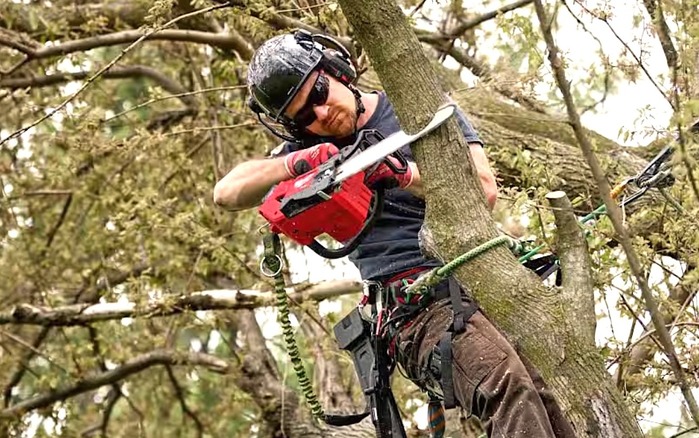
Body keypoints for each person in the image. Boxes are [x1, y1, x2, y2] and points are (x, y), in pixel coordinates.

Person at [213, 29, 576, 438]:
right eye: (304, 116)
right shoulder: (311, 151)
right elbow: (226, 192)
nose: (320, 113)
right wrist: (299, 162)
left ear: (335, 70)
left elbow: (484, 190)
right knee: (505, 385)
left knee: (550, 402)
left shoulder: (416, 110)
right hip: (414, 307)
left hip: (483, 283)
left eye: (318, 92)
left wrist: (403, 174)